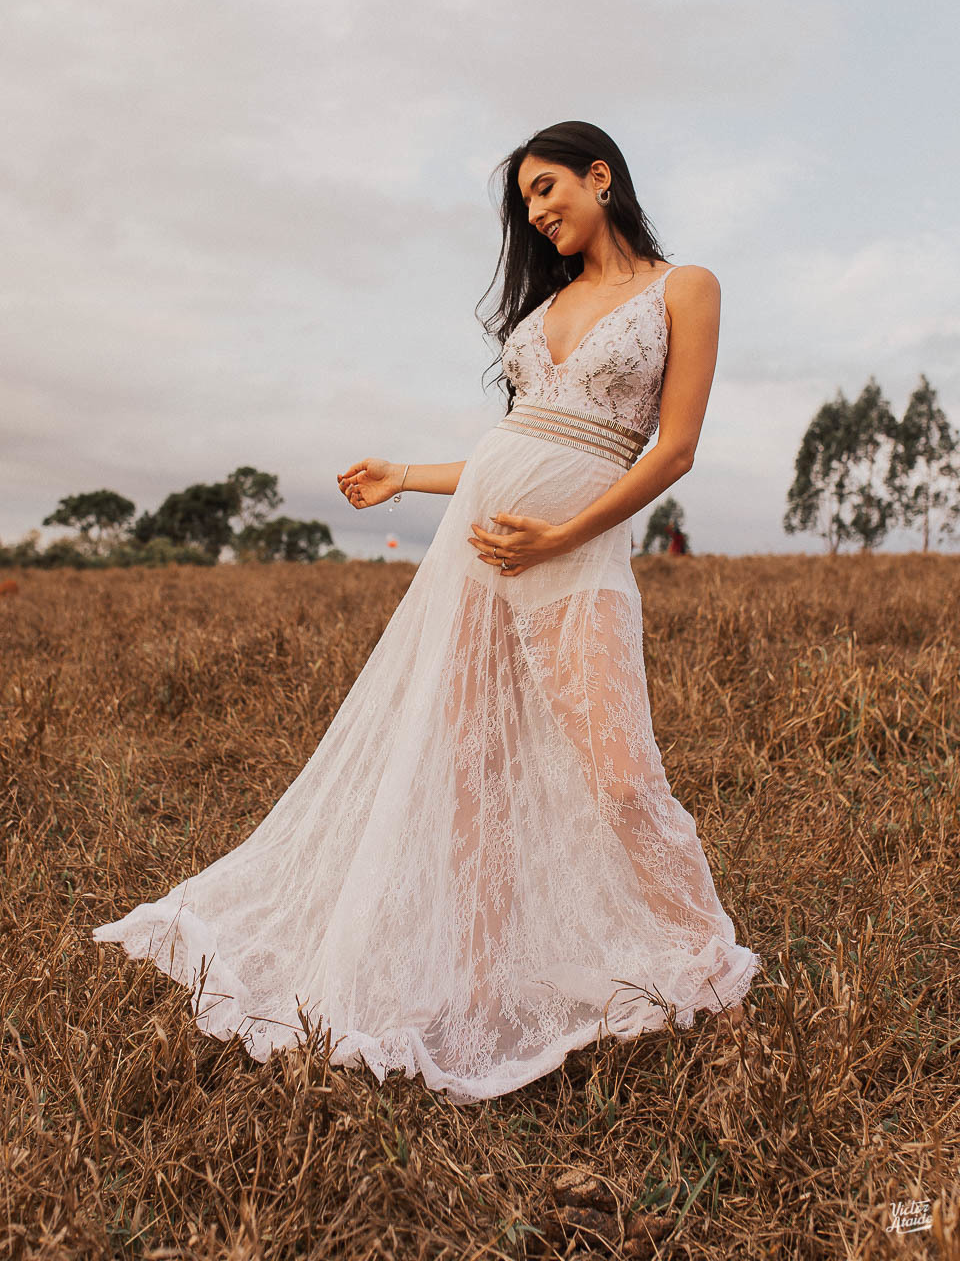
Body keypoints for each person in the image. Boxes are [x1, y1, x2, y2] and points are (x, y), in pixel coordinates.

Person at [93, 120, 760, 1105]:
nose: (538, 213)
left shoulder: (682, 288)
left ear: (600, 176)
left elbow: (672, 451)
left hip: (574, 563)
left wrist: (560, 535)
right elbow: (516, 443)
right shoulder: (551, 307)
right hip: (477, 562)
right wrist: (406, 475)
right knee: (466, 775)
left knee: (621, 779)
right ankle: (478, 984)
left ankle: (708, 973)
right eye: (525, 204)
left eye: (547, 189)